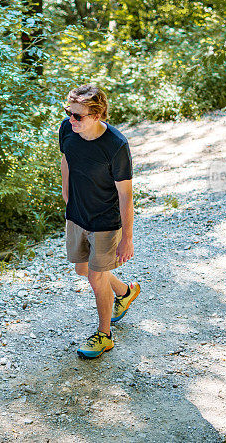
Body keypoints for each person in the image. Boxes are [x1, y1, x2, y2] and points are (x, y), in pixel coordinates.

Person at [59, 84, 141, 359]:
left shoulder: (116, 146)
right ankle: (124, 292)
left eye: (78, 116)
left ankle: (104, 335)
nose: (71, 119)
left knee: (96, 276)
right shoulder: (68, 130)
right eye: (69, 112)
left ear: (97, 115)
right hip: (77, 216)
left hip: (105, 221)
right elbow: (67, 159)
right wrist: (67, 195)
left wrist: (127, 239)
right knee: (83, 269)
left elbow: (126, 195)